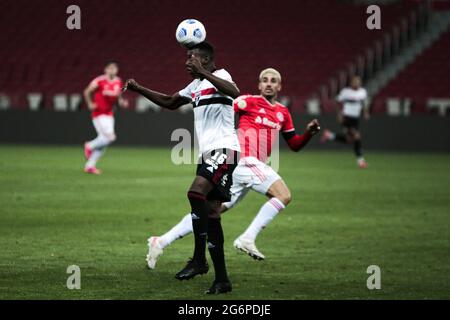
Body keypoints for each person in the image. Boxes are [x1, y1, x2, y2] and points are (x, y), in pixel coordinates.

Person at [146, 68, 320, 269]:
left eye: (273, 81)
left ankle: (160, 241)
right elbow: (224, 105)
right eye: (265, 80)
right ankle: (247, 238)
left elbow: (295, 144)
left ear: (280, 86)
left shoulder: (283, 112)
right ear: (259, 85)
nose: (269, 83)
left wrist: (308, 133)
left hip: (249, 168)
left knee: (213, 209)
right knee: (283, 195)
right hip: (243, 159)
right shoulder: (249, 101)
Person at [123, 42, 241, 294]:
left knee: (195, 192)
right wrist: (138, 88)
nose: (186, 63)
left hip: (225, 149)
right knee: (211, 212)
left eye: (192, 58)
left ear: (206, 60)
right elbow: (170, 101)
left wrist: (205, 73)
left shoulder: (220, 75)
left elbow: (234, 92)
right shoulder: (195, 86)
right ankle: (222, 280)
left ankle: (199, 259)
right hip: (207, 153)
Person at [83, 61, 128, 174]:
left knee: (105, 141)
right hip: (98, 113)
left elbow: (119, 95)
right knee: (109, 138)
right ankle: (89, 145)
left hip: (109, 114)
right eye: (110, 68)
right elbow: (87, 91)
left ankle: (90, 166)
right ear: (106, 69)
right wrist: (89, 103)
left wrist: (122, 102)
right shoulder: (99, 81)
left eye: (114, 68)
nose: (112, 70)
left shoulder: (118, 81)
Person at [321, 76, 369, 168]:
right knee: (357, 137)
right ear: (351, 82)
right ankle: (361, 161)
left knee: (349, 139)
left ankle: (330, 135)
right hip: (347, 118)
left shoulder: (362, 92)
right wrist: (339, 114)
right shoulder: (346, 92)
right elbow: (337, 101)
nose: (356, 83)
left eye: (358, 82)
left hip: (356, 119)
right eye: (355, 81)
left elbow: (365, 102)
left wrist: (366, 112)